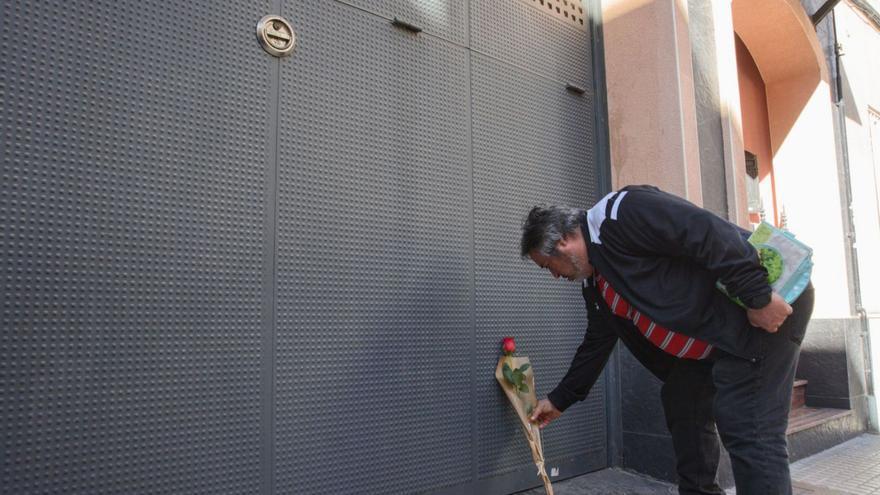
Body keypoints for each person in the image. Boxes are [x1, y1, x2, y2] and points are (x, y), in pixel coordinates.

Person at [521, 185, 814, 495]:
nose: (554, 276)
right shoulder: (596, 284)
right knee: (683, 400)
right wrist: (559, 400)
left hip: (763, 308)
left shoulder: (622, 212)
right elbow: (596, 342)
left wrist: (757, 296)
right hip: (709, 345)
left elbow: (703, 230)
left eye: (547, 266)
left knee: (748, 425)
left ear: (563, 243)